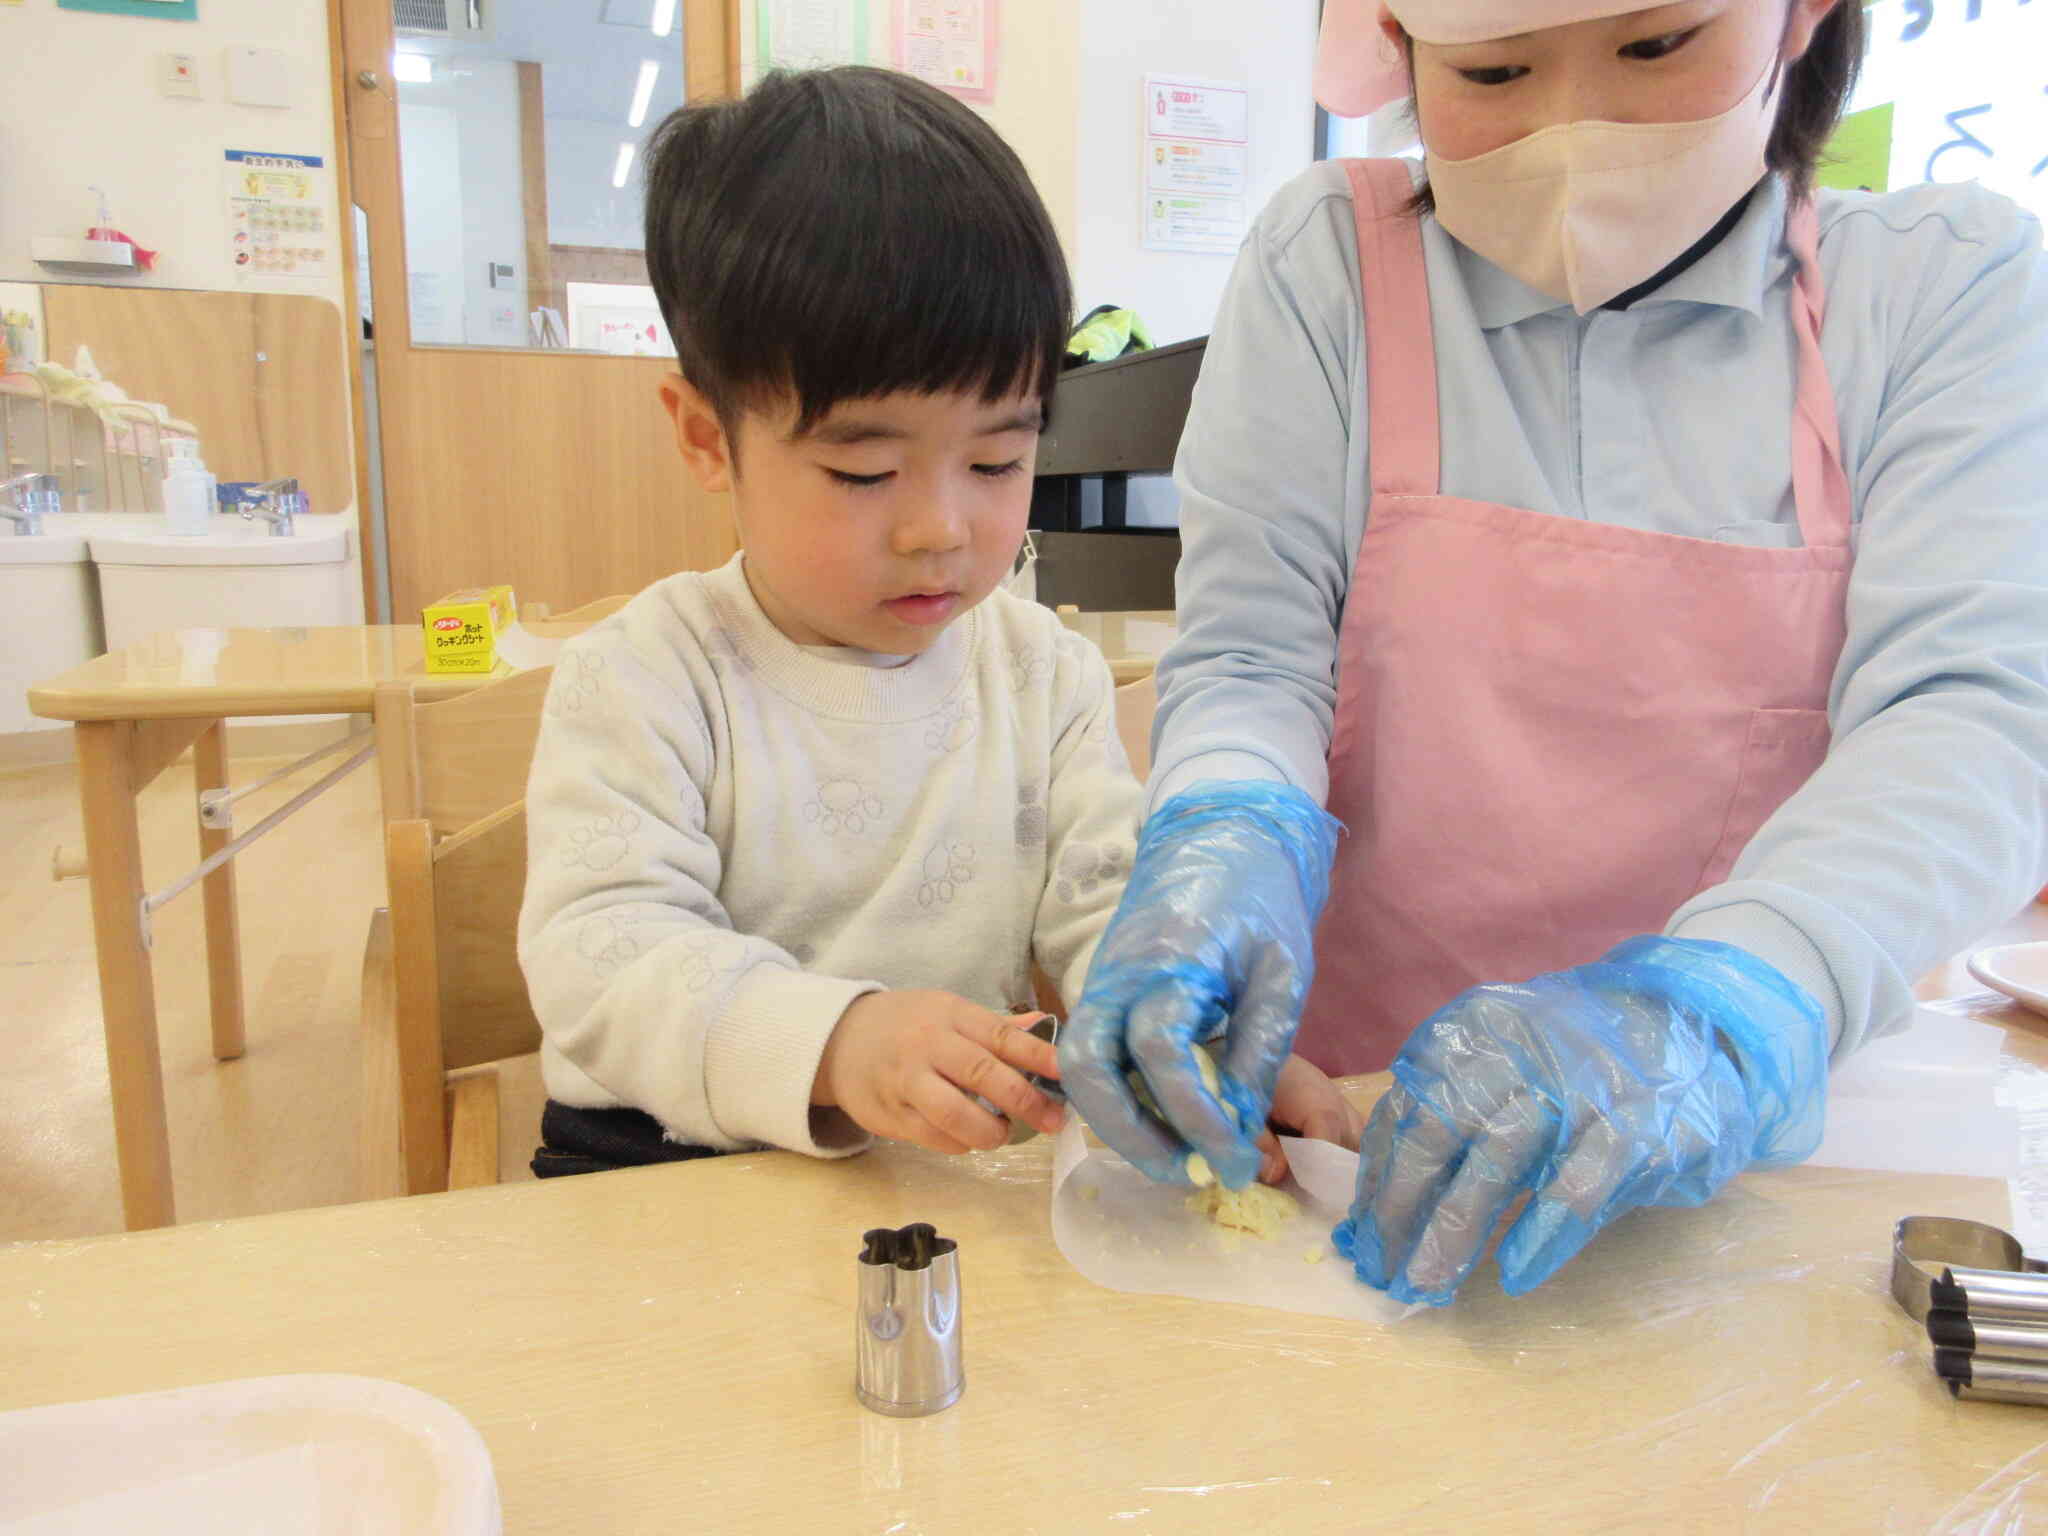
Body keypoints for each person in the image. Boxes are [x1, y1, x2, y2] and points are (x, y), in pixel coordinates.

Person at [1060, 0, 2048, 1304]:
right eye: (1496, 69)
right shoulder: (1330, 264)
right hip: (1347, 1129)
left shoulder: (1942, 286)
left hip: (1756, 1163)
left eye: (1656, 47)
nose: (1574, 132)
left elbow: (1971, 712)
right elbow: (1255, 656)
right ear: (1401, 46)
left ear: (1800, 16)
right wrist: (1223, 833)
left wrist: (1709, 1021)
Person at [517, 67, 1362, 1178]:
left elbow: (1110, 895)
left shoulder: (1043, 677)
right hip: (666, 1163)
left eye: (997, 460)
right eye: (863, 470)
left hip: (945, 1172)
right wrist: (833, 1042)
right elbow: (601, 958)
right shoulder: (645, 678)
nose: (939, 528)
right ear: (702, 436)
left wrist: (1187, 1037)